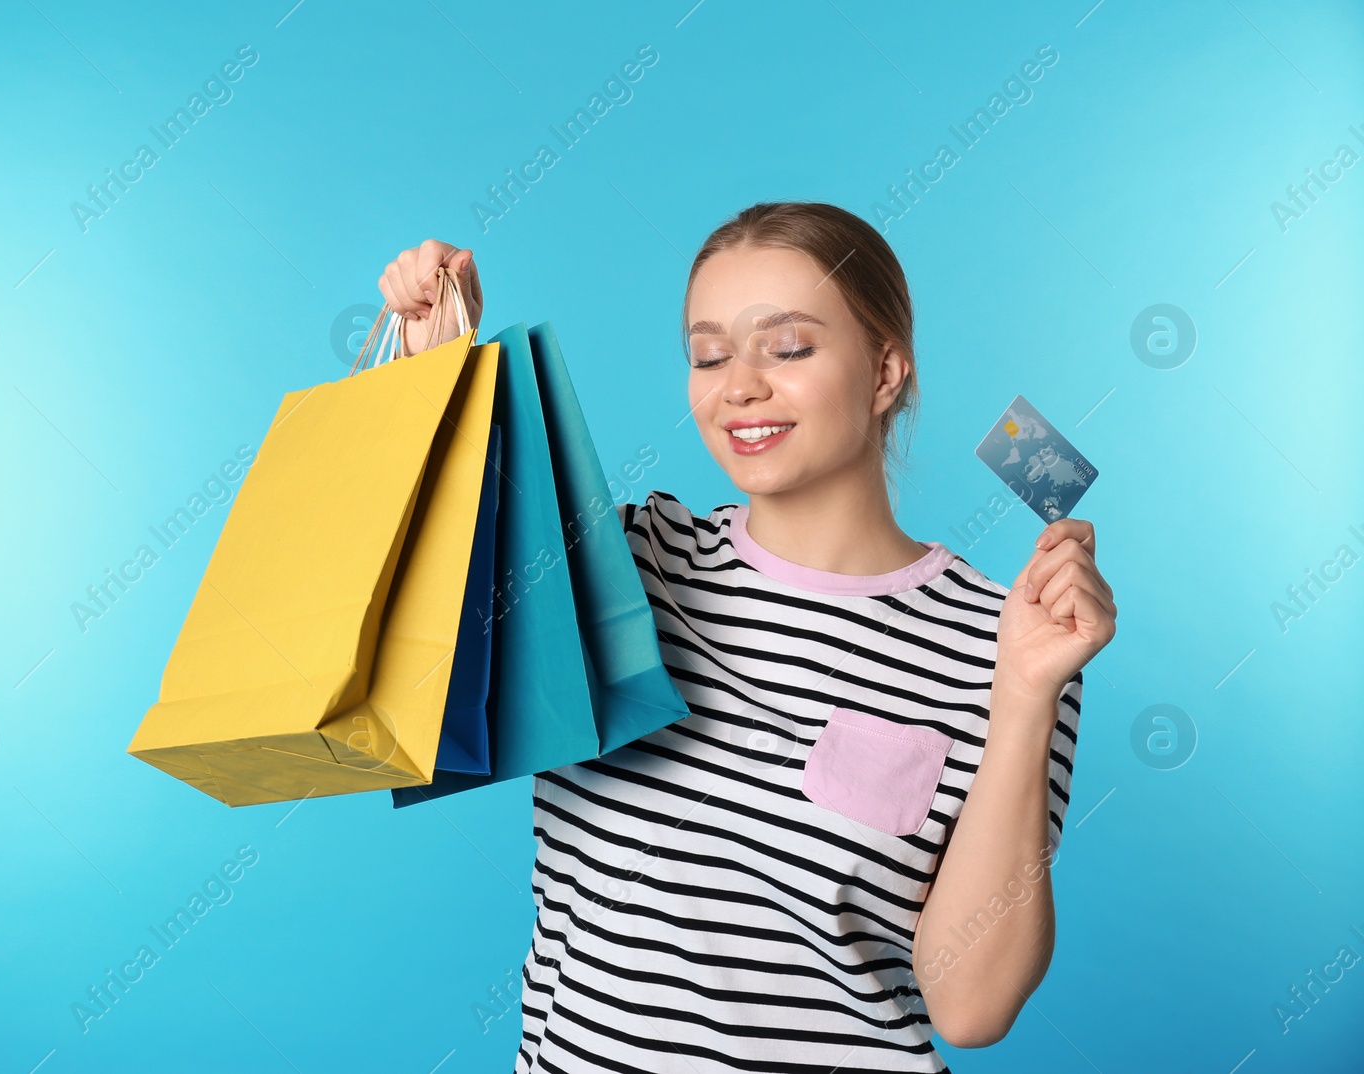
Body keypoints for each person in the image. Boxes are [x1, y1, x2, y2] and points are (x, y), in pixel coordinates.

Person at [376, 202, 1117, 1073]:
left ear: (886, 371)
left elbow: (971, 1006)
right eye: (709, 354)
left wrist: (1026, 694)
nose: (740, 387)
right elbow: (427, 630)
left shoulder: (1005, 643)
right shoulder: (627, 561)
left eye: (790, 347)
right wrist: (436, 377)